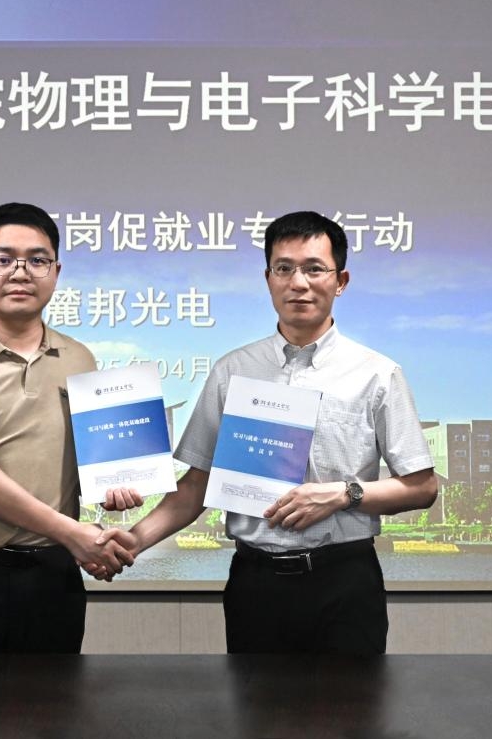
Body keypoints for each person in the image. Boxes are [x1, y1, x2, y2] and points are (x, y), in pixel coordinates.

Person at [97, 210, 437, 655]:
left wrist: (342, 495)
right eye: (284, 268)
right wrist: (134, 540)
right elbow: (197, 485)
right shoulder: (233, 370)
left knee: (353, 701)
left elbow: (423, 487)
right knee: (253, 701)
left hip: (346, 582)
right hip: (255, 584)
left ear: (341, 281)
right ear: (268, 278)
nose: (299, 283)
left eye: (314, 269)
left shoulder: (377, 374)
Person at [0, 202, 138, 653]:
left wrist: (116, 486)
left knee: (56, 698)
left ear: (56, 272)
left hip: (51, 574)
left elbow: (87, 463)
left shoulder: (80, 358)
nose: (20, 272)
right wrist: (73, 534)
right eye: (3, 259)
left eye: (37, 260)